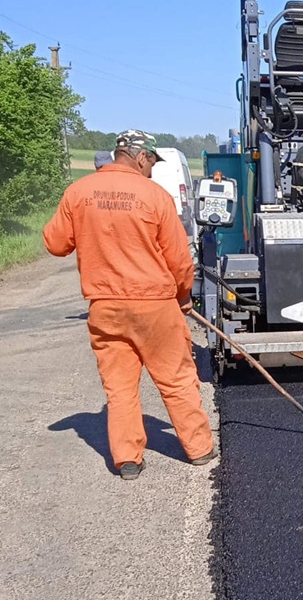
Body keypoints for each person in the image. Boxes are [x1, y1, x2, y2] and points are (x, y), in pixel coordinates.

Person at [43, 129, 215, 480]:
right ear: (140, 157)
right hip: (155, 306)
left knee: (119, 387)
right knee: (177, 379)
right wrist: (183, 296)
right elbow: (180, 260)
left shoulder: (78, 192)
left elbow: (55, 244)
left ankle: (127, 460)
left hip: (106, 307)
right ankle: (198, 450)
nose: (151, 168)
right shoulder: (154, 196)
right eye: (151, 161)